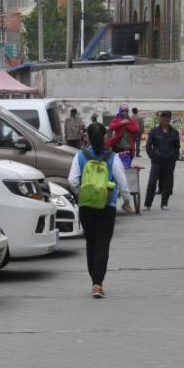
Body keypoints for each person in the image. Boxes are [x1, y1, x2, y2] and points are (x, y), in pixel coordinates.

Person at [68, 123, 133, 298]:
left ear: (87, 136)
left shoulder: (80, 156)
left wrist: (83, 194)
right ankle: (98, 284)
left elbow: (72, 181)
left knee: (91, 243)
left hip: (86, 206)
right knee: (103, 244)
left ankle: (93, 280)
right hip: (107, 206)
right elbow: (123, 182)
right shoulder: (113, 157)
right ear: (105, 136)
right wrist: (127, 201)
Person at [144, 111, 181, 210]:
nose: (165, 119)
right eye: (163, 117)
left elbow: (177, 146)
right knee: (152, 182)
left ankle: (164, 203)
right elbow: (148, 146)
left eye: (167, 117)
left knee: (167, 183)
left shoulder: (174, 132)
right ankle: (148, 204)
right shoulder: (154, 131)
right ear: (160, 119)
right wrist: (152, 156)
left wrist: (175, 156)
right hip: (157, 161)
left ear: (170, 119)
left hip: (169, 161)